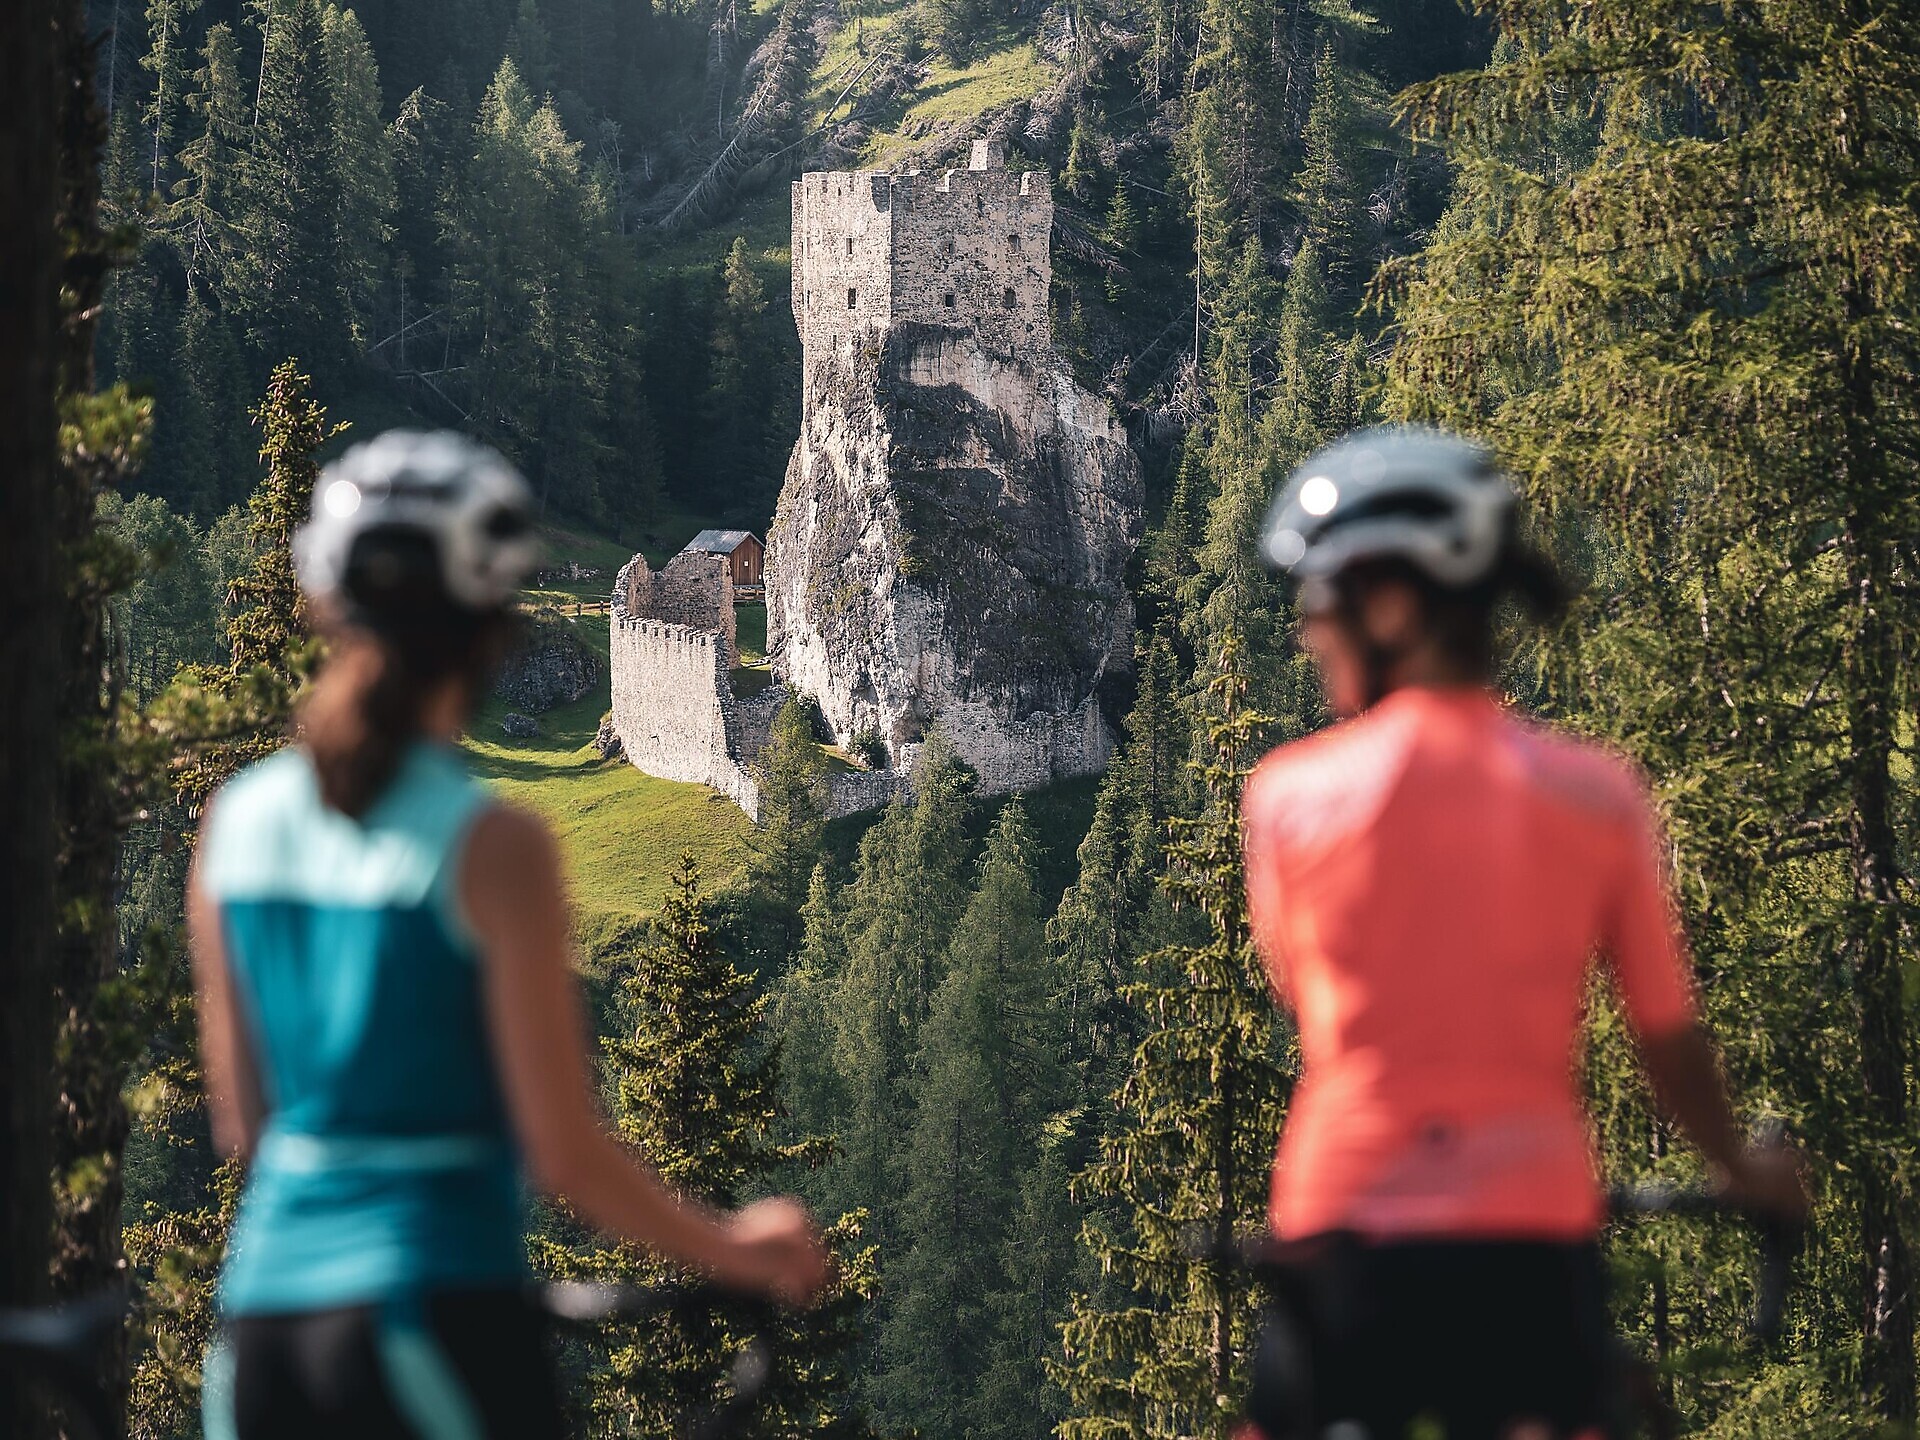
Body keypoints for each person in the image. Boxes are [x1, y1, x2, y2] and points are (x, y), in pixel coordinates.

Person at [188, 431, 829, 1439]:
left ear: (327, 608)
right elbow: (562, 1150)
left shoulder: (238, 824)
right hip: (424, 1319)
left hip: (259, 1336)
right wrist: (737, 1248)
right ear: (491, 627)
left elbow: (249, 1127)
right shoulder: (493, 847)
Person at [1240, 425, 1809, 1440]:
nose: (1307, 632)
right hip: (1529, 1243)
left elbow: (1302, 987)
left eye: (1319, 601)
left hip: (1341, 1241)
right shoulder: (1596, 795)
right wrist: (1739, 1165)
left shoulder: (1288, 798)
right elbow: (1667, 1037)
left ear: (1392, 605)